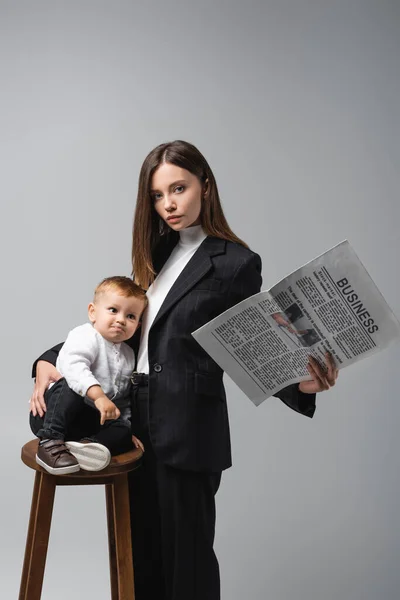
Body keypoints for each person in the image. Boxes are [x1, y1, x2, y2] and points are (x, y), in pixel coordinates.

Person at [29, 140, 339, 600]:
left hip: (189, 426)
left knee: (187, 562)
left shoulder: (235, 263)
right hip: (135, 418)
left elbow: (249, 343)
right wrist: (47, 361)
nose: (168, 204)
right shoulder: (159, 251)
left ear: (206, 186)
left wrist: (301, 383)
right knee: (140, 557)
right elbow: (122, 329)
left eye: (179, 188)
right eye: (157, 195)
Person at [30, 276, 146, 475]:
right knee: (71, 385)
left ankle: (88, 448)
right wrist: (99, 396)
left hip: (88, 422)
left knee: (124, 430)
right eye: (113, 310)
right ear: (93, 312)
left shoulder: (129, 355)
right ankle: (50, 440)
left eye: (131, 316)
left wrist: (125, 429)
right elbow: (74, 366)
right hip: (55, 414)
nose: (121, 319)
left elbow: (123, 400)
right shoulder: (84, 335)